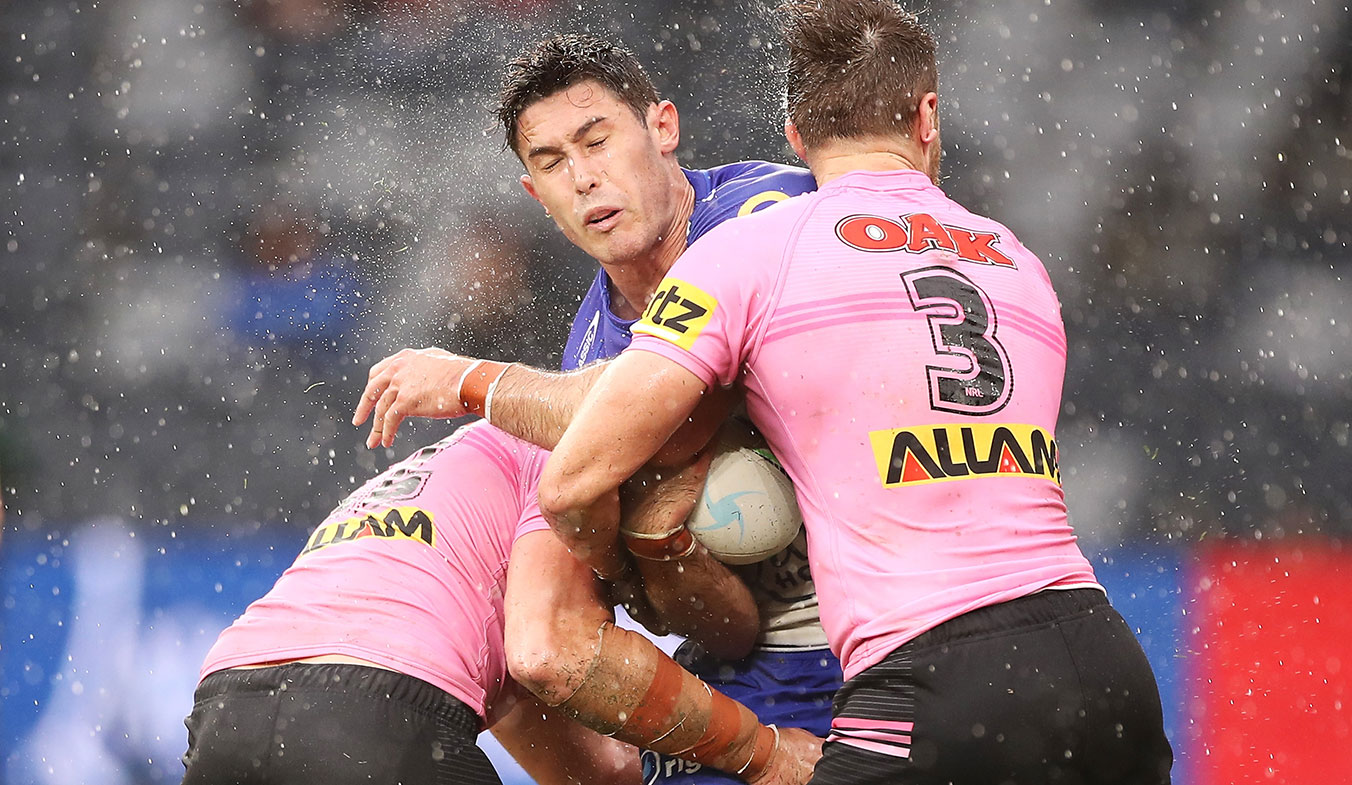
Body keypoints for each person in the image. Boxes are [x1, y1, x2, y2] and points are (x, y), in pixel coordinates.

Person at [537, 3, 1175, 784]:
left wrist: (633, 543)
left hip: (930, 674)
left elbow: (574, 475)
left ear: (796, 139)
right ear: (928, 117)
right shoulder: (1016, 258)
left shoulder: (751, 247)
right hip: (1102, 657)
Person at [352, 34, 841, 785]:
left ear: (664, 128)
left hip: (892, 628)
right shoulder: (590, 344)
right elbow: (708, 621)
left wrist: (472, 382)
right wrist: (657, 554)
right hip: (768, 664)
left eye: (596, 139)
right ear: (535, 195)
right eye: (551, 163)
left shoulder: (775, 210)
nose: (583, 178)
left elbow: (678, 399)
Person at [180, 421, 820, 785]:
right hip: (373, 714)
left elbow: (588, 768)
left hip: (225, 710)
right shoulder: (569, 462)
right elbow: (550, 653)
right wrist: (758, 754)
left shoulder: (458, 472)